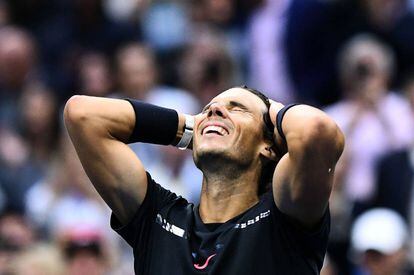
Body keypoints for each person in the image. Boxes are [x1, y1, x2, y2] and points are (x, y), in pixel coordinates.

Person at [64, 86, 344, 274]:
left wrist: (272, 110)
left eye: (237, 109)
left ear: (269, 147)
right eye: (208, 108)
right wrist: (194, 127)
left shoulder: (283, 217)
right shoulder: (157, 218)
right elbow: (83, 115)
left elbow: (317, 131)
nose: (214, 111)